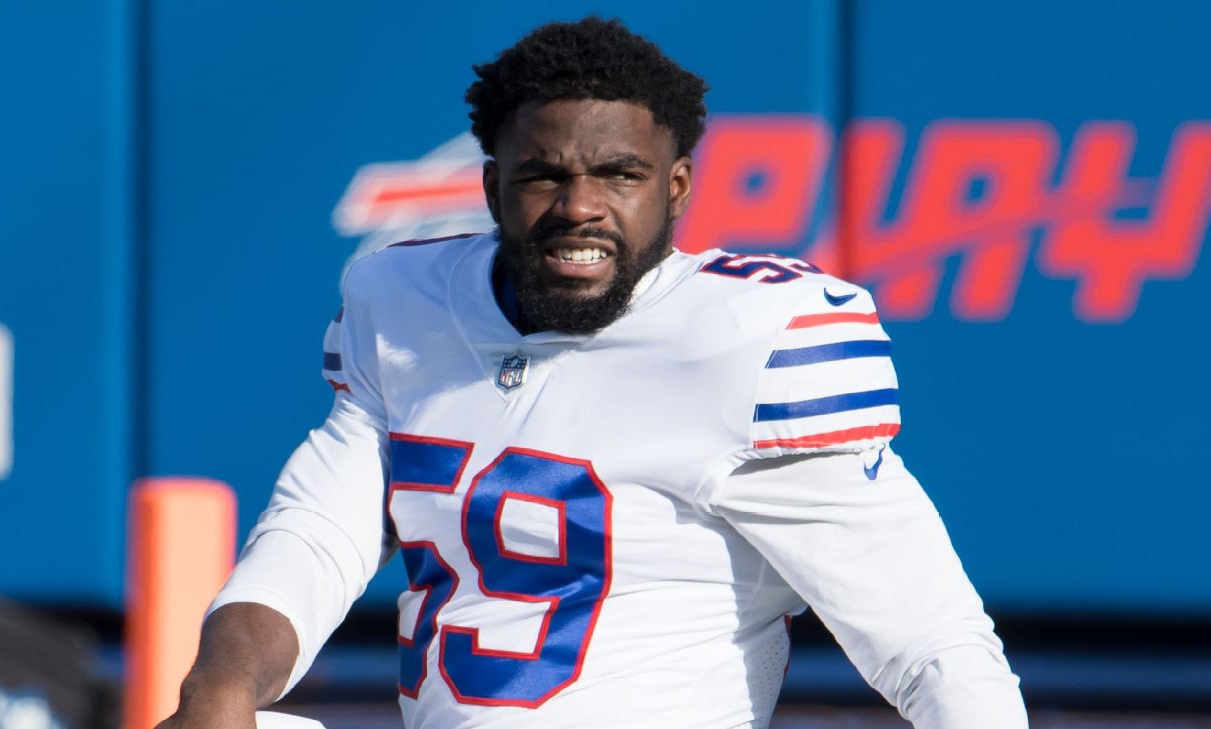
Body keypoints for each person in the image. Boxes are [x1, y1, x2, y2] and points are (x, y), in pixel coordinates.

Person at [159, 17, 1028, 729]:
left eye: (620, 174)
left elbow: (929, 639)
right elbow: (319, 533)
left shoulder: (750, 338)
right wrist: (222, 687)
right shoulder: (406, 302)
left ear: (677, 187)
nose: (581, 206)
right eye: (546, 175)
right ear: (495, 187)